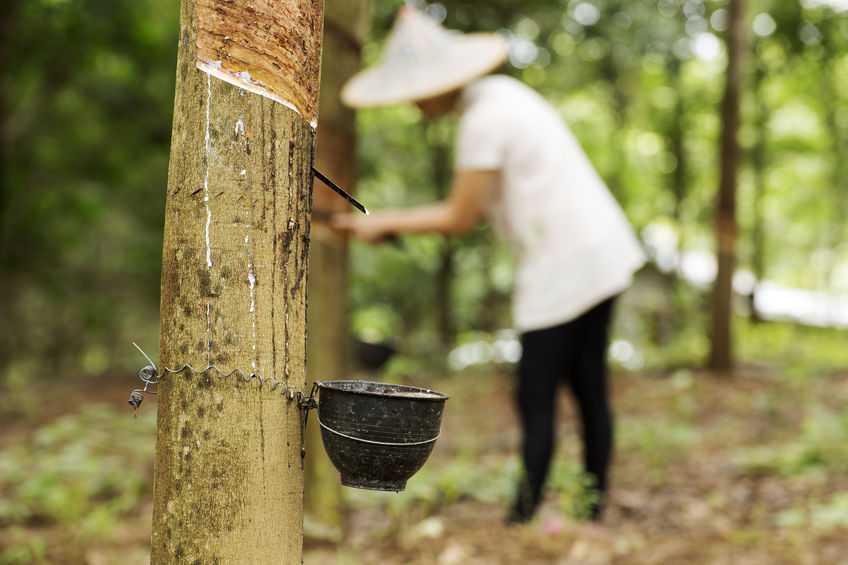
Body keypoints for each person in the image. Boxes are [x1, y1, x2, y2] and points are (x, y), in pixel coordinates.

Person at [333, 6, 645, 525]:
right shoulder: (503, 97)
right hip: (599, 250)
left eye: (417, 90)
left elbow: (460, 215)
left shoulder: (483, 118)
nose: (413, 101)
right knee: (589, 387)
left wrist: (382, 220)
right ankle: (589, 509)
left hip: (564, 263)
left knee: (537, 394)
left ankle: (523, 517)